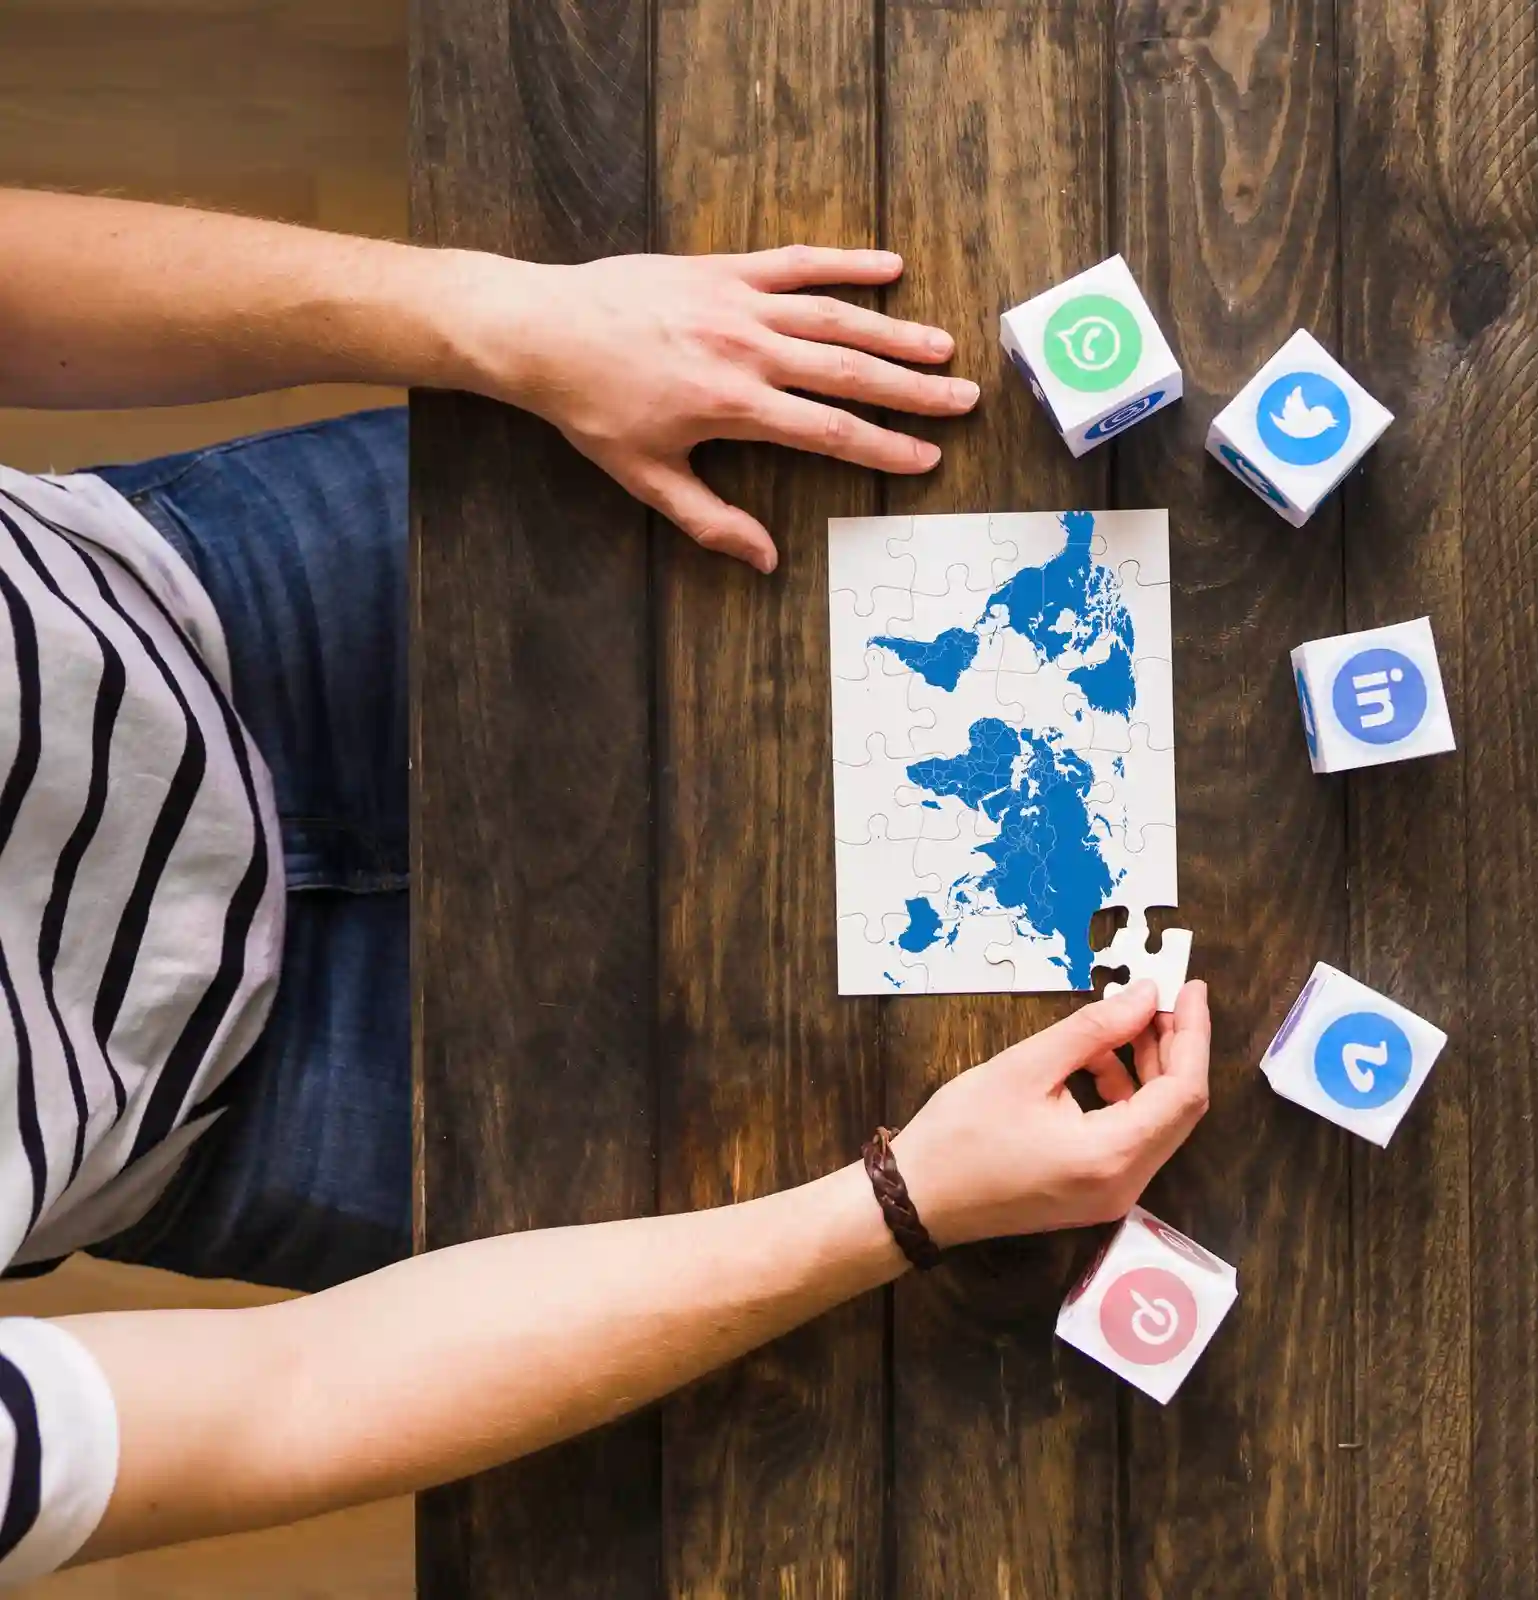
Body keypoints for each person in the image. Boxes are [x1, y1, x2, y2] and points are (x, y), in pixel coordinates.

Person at [0, 188, 1212, 1582]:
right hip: (221, 1117)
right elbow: (284, 1403)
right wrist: (899, 1205)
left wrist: (509, 313)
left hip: (198, 609)